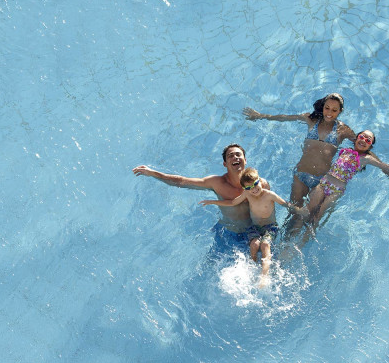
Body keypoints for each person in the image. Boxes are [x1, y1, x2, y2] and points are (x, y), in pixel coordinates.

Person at [242, 93, 358, 209]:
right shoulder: (311, 120)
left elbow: (361, 144)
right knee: (293, 212)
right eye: (326, 108)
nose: (329, 113)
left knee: (310, 216)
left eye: (334, 110)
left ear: (340, 111)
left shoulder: (343, 130)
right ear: (322, 106)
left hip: (321, 181)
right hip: (301, 175)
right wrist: (260, 116)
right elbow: (285, 117)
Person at [132, 144, 269, 238]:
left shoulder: (260, 184)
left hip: (254, 231)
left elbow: (269, 209)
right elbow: (182, 181)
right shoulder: (216, 183)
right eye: (230, 156)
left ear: (245, 160)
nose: (235, 158)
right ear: (225, 164)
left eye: (238, 155)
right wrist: (154, 174)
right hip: (228, 232)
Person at [199, 167, 304, 284]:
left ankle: (264, 276)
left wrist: (299, 211)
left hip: (270, 226)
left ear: (259, 180)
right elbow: (233, 202)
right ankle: (252, 265)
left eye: (255, 184)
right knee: (254, 244)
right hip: (254, 227)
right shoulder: (247, 195)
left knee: (264, 245)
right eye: (248, 188)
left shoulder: (269, 195)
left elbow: (285, 204)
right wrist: (213, 201)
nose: (253, 189)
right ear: (245, 189)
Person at [305, 130, 389, 231]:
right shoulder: (345, 150)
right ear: (356, 139)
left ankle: (303, 241)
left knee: (317, 217)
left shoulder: (365, 159)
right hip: (323, 183)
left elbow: (387, 166)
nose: (364, 140)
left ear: (370, 146)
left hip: (336, 191)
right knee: (308, 211)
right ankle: (295, 232)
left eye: (368, 140)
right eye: (362, 137)